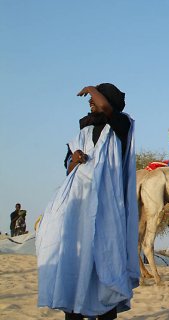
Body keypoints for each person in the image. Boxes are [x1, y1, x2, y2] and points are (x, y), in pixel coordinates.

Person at [36, 83, 139, 320]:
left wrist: (92, 88)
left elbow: (105, 107)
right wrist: (74, 159)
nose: (91, 102)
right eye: (90, 99)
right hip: (78, 207)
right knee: (74, 258)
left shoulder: (121, 126)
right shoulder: (81, 133)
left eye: (96, 99)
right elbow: (69, 168)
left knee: (106, 258)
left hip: (106, 208)